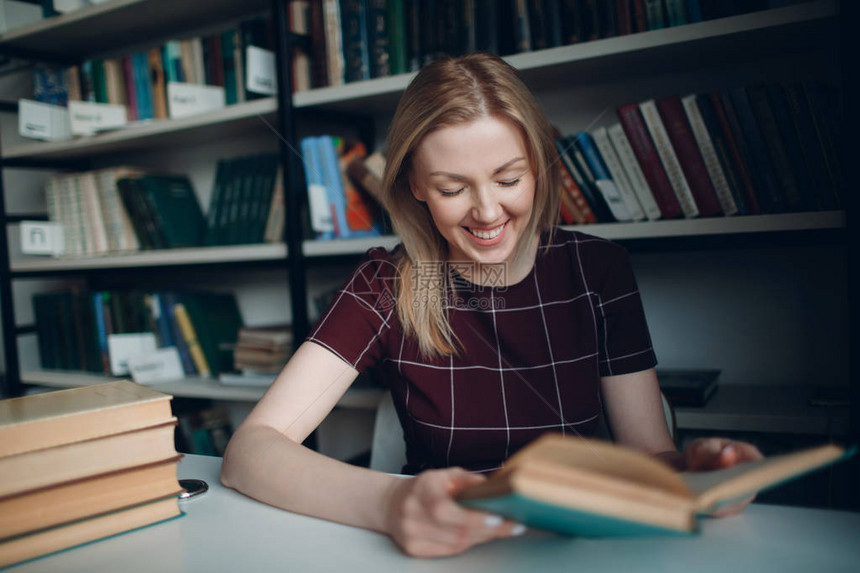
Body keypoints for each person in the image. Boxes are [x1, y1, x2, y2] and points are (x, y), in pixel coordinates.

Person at [220, 52, 763, 558]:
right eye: (453, 188)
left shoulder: (597, 270)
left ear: (539, 167)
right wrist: (389, 504)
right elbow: (250, 451)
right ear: (414, 185)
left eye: (508, 179)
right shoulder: (386, 283)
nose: (486, 212)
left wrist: (701, 476)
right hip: (441, 550)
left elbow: (650, 455)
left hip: (580, 549)